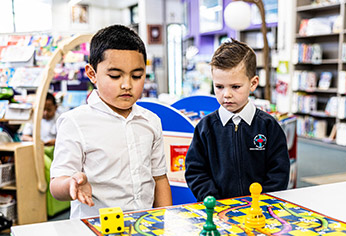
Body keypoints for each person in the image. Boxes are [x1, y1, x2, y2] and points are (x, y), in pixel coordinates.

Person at [50, 25, 170, 220]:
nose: (127, 85)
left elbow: (159, 178)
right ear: (92, 74)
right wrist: (70, 184)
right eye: (115, 76)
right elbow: (56, 185)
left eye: (137, 76)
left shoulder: (150, 121)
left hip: (146, 228)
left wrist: (165, 221)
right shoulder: (75, 122)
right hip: (94, 231)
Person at [184, 40, 290, 201]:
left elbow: (279, 171)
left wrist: (262, 201)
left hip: (260, 212)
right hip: (218, 211)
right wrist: (213, 199)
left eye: (235, 87)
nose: (226, 94)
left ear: (253, 83)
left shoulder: (268, 126)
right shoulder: (205, 128)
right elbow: (195, 170)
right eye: (219, 87)